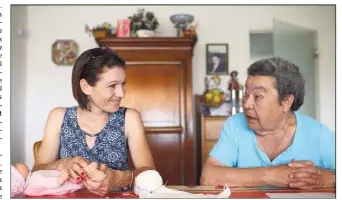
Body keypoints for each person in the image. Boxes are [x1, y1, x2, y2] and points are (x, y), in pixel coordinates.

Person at [33, 47, 155, 196]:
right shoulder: (58, 116)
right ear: (86, 87)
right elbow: (36, 171)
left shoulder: (130, 117)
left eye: (123, 84)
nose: (121, 93)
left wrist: (119, 178)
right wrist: (61, 164)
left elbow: (150, 175)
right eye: (112, 86)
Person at [201, 57, 335, 189]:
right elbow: (208, 177)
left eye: (258, 96)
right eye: (246, 94)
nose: (246, 104)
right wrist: (273, 175)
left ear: (286, 102)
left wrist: (327, 178)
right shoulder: (235, 125)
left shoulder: (318, 134)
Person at [11, 162, 105, 197]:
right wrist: (60, 180)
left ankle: (94, 172)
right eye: (16, 166)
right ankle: (96, 173)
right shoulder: (33, 181)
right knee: (81, 179)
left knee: (80, 177)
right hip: (65, 181)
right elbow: (48, 182)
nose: (18, 163)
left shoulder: (28, 186)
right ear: (19, 180)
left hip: (65, 179)